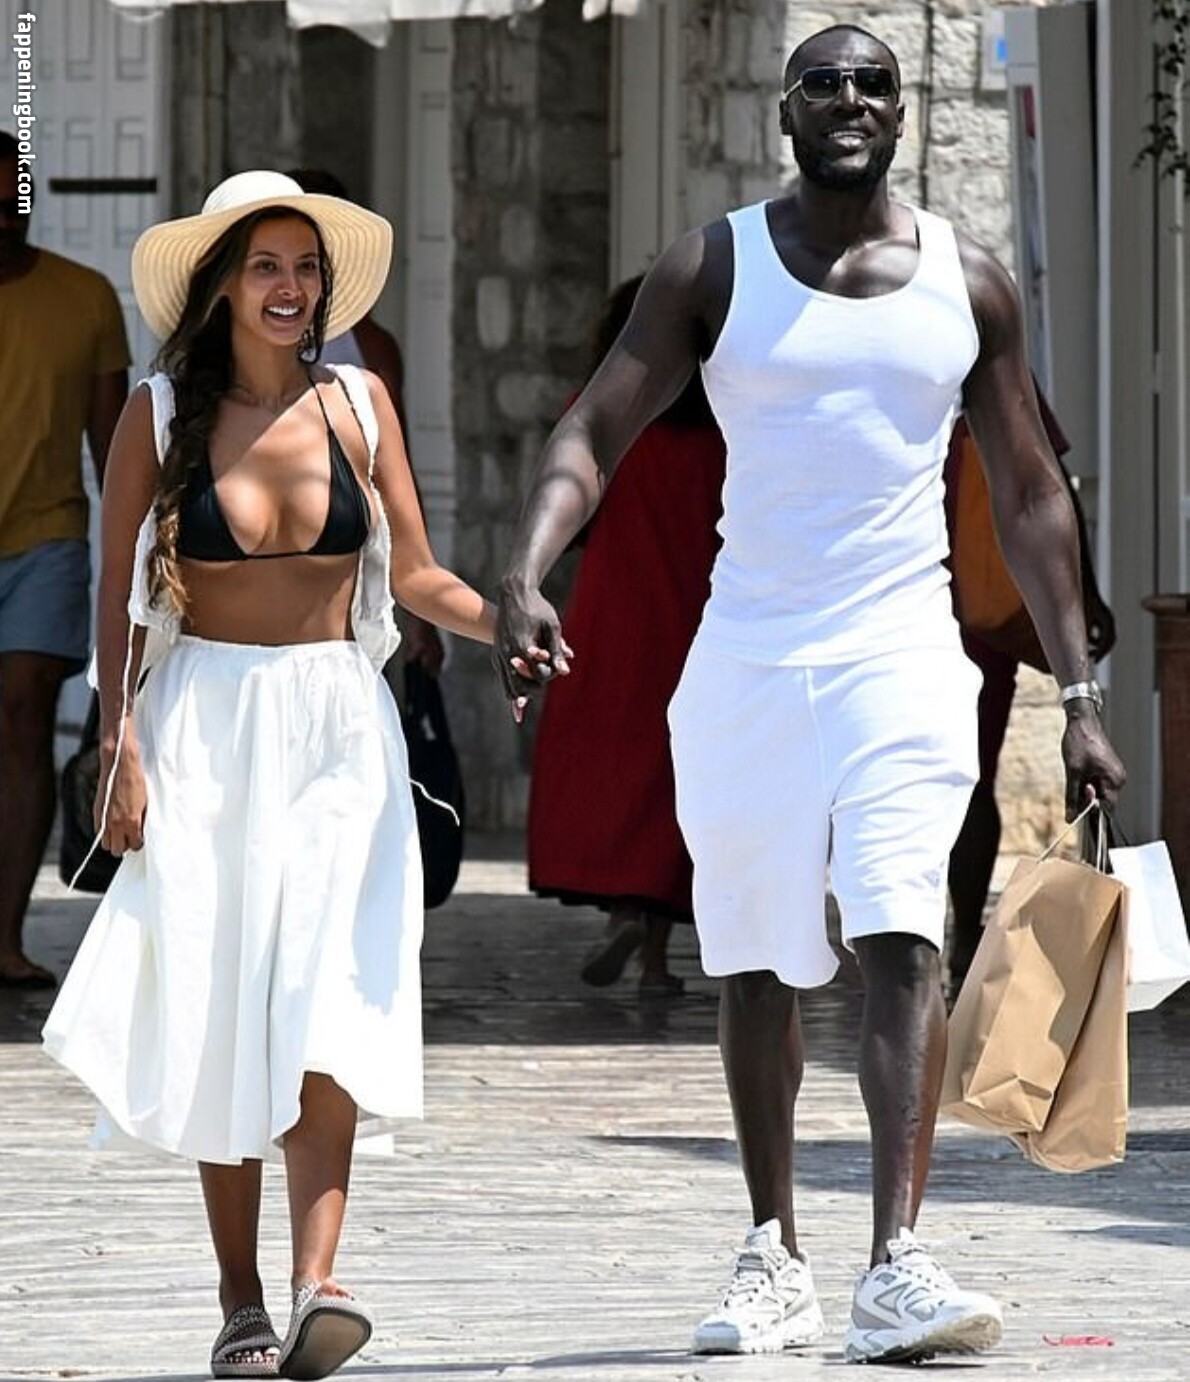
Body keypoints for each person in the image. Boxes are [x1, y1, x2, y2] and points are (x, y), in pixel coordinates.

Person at [495, 24, 1125, 1367]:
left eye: (872, 85)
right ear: (785, 114)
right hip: (748, 661)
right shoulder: (711, 267)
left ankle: (894, 1261)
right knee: (755, 961)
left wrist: (1077, 687)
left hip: (904, 655)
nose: (849, 100)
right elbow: (593, 428)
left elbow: (1028, 491)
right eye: (824, 84)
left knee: (901, 930)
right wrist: (526, 568)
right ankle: (772, 1252)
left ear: (898, 114)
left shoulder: (966, 281)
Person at [41, 170, 496, 1379]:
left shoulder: (358, 401)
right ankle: (239, 1295)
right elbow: (119, 594)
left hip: (339, 728)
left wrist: (512, 621)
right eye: (266, 267)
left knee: (326, 995)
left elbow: (416, 573)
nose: (291, 288)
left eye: (306, 267)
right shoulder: (155, 415)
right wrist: (120, 743)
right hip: (202, 728)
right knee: (221, 1001)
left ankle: (317, 1280)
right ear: (222, 287)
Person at [527, 277, 726, 995]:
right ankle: (655, 960)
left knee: (616, 767)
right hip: (698, 616)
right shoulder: (727, 422)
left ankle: (624, 914)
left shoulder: (600, 414)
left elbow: (572, 511)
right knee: (677, 775)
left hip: (614, 613)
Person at [0, 130, 129, 988]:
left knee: (23, 716)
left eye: (11, 197)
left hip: (46, 538)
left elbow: (115, 447)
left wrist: (138, 557)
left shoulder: (84, 297)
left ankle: (4, 937)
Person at [944, 392, 1116, 986]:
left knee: (969, 780)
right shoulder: (988, 357)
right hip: (970, 613)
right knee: (973, 778)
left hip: (940, 608)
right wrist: (1086, 595)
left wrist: (1086, 597)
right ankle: (961, 939)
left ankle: (957, 938)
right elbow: (1049, 484)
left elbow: (1048, 486)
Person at [287, 168, 444, 678]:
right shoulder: (210, 363)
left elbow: (395, 477)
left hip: (344, 589)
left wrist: (423, 618)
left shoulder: (370, 349)